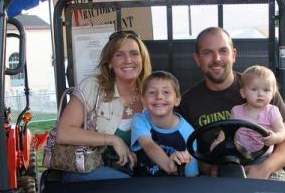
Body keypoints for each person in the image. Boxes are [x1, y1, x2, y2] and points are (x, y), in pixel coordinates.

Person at [177, 27, 285, 179]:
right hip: (213, 177)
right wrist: (210, 170)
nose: (217, 59)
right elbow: (186, 152)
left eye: (223, 51)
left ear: (233, 55)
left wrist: (264, 169)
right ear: (197, 59)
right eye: (207, 52)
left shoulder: (262, 88)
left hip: (263, 168)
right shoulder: (187, 102)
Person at [56, 30, 152, 182]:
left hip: (137, 170)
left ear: (142, 59)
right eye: (119, 55)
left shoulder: (153, 91)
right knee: (128, 185)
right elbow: (63, 133)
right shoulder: (93, 86)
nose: (128, 60)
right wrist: (113, 140)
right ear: (109, 62)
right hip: (90, 168)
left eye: (134, 53)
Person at [210, 65, 285, 164]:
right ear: (243, 93)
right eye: (254, 89)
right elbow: (227, 129)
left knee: (273, 177)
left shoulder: (272, 111)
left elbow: (281, 130)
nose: (260, 94)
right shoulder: (237, 111)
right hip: (238, 154)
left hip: (263, 157)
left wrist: (276, 137)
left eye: (266, 90)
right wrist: (218, 142)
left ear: (273, 94)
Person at [131, 71, 198, 177]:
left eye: (166, 92)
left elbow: (191, 175)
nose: (159, 96)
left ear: (177, 100)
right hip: (142, 183)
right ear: (143, 100)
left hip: (174, 188)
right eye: (152, 92)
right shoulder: (140, 120)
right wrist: (169, 166)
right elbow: (148, 145)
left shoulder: (188, 133)